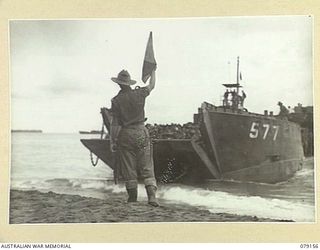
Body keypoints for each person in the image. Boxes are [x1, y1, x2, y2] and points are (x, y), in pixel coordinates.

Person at [110, 69, 159, 207]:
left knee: (129, 167)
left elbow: (115, 124)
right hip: (141, 131)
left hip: (125, 134)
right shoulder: (139, 94)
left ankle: (132, 199)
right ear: (129, 82)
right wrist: (153, 71)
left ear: (119, 84)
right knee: (147, 165)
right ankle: (152, 197)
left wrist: (113, 141)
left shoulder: (116, 100)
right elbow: (152, 85)